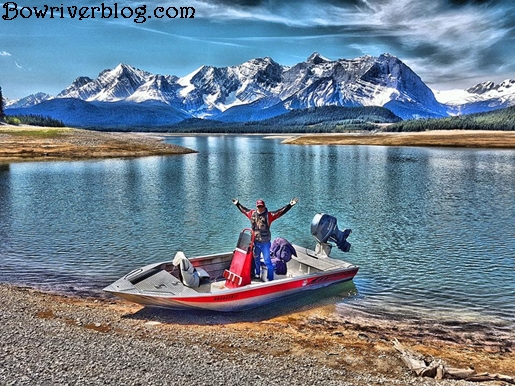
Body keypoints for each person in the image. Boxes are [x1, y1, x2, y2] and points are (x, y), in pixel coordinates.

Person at [232, 197, 299, 281]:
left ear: (264, 206)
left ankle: (270, 278)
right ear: (257, 207)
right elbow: (244, 210)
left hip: (265, 243)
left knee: (267, 261)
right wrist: (237, 204)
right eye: (258, 207)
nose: (260, 208)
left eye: (261, 206)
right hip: (256, 242)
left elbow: (280, 212)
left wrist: (290, 205)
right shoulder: (252, 214)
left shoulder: (269, 216)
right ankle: (257, 274)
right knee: (256, 259)